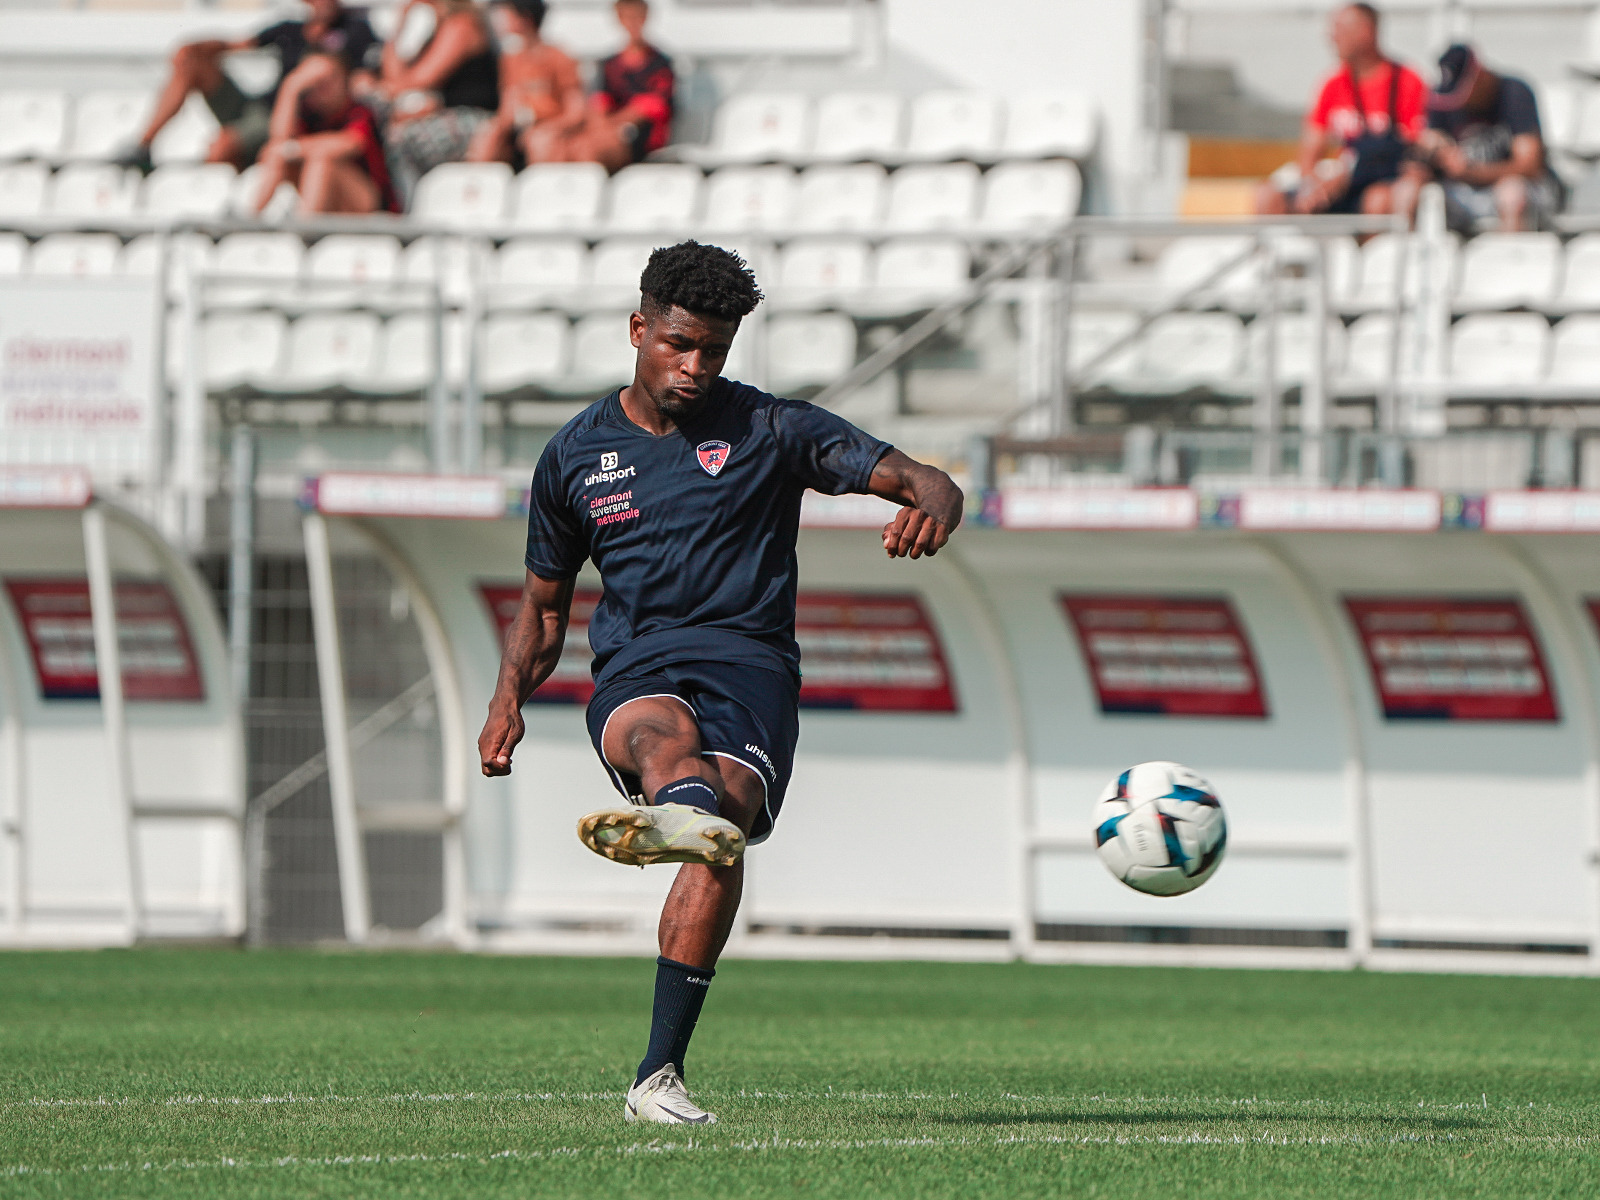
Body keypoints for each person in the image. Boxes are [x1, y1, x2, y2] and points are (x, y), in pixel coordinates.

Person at [476, 241, 962, 1125]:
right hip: (638, 667)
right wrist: (508, 699)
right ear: (638, 330)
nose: (695, 366)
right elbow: (545, 609)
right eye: (678, 344)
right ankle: (680, 810)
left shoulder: (773, 430)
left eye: (714, 350)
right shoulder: (576, 455)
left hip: (751, 670)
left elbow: (918, 476)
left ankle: (657, 1077)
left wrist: (935, 499)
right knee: (664, 742)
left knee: (722, 827)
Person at [115, 0, 379, 173]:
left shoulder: (356, 32)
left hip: (291, 122)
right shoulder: (289, 30)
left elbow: (372, 76)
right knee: (192, 64)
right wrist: (193, 48)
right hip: (261, 107)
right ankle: (144, 145)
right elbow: (235, 45)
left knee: (223, 145)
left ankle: (205, 194)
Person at [1255, 3, 1427, 217]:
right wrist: (1315, 186)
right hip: (1337, 184)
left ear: (1366, 32)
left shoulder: (1407, 82)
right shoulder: (1333, 84)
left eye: (1340, 30)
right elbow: (1310, 153)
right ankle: (1282, 248)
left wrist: (1350, 175)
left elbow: (1412, 153)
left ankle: (1375, 250)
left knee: (1379, 200)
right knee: (1267, 196)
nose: (1332, 37)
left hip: (1377, 182)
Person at [1397, 44, 1563, 232]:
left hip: (1521, 192)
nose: (1459, 102)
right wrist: (1429, 160)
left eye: (1462, 93)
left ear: (1479, 75)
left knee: (1511, 193)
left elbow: (1530, 166)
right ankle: (1412, 258)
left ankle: (1509, 258)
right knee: (1407, 190)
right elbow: (1425, 152)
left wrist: (1471, 171)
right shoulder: (1441, 101)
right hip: (1463, 191)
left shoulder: (1514, 92)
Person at [366, 0, 501, 208]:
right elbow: (396, 79)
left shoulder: (461, 25)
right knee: (376, 119)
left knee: (401, 138)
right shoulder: (437, 30)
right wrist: (399, 26)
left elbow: (417, 81)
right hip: (441, 115)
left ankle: (408, 213)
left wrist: (384, 88)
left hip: (473, 120)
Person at [253, 53, 397, 217]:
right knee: (277, 157)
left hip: (370, 204)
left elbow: (350, 143)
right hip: (332, 203)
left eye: (329, 79)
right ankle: (250, 223)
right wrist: (290, 87)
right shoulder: (308, 114)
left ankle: (305, 232)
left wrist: (290, 148)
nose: (323, 87)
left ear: (345, 79)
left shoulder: (360, 110)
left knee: (321, 158)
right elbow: (277, 141)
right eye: (314, 82)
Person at [465, 0, 588, 167]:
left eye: (507, 14)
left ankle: (539, 190)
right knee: (487, 136)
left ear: (526, 19)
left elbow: (576, 112)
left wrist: (548, 128)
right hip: (520, 131)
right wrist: (496, 129)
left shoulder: (559, 57)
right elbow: (508, 108)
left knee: (540, 142)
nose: (500, 20)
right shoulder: (511, 59)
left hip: (552, 132)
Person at [586, 0, 676, 169]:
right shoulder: (609, 64)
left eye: (637, 17)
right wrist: (601, 126)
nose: (633, 23)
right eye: (628, 17)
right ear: (619, 20)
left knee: (592, 150)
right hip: (609, 132)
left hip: (644, 139)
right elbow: (599, 103)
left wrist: (612, 124)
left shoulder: (660, 63)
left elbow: (654, 107)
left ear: (645, 18)